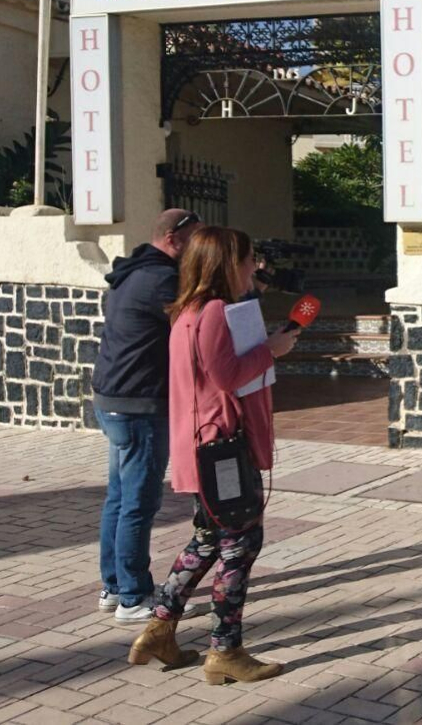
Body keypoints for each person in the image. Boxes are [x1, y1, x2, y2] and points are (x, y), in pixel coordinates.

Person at [128, 227, 300, 683]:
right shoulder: (214, 312)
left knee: (208, 540)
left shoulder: (188, 311)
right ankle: (225, 650)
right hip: (221, 450)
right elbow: (227, 376)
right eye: (247, 260)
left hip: (203, 447)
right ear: (227, 263)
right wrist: (272, 350)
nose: (253, 268)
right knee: (241, 544)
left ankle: (160, 627)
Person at [92, 208, 203, 622]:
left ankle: (114, 585)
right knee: (138, 503)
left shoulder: (134, 271)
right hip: (138, 406)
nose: (198, 251)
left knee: (119, 499)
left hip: (114, 400)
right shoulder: (161, 281)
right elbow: (198, 324)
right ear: (173, 239)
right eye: (195, 241)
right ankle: (134, 598)